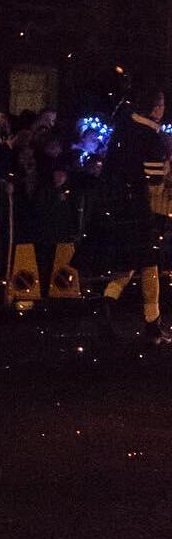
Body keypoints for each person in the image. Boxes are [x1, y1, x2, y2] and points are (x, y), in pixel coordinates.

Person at [74, 82, 171, 344]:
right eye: (161, 104)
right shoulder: (151, 135)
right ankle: (152, 323)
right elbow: (155, 180)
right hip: (137, 206)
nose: (163, 109)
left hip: (112, 205)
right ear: (155, 107)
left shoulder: (123, 128)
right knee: (150, 262)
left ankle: (107, 303)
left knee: (128, 262)